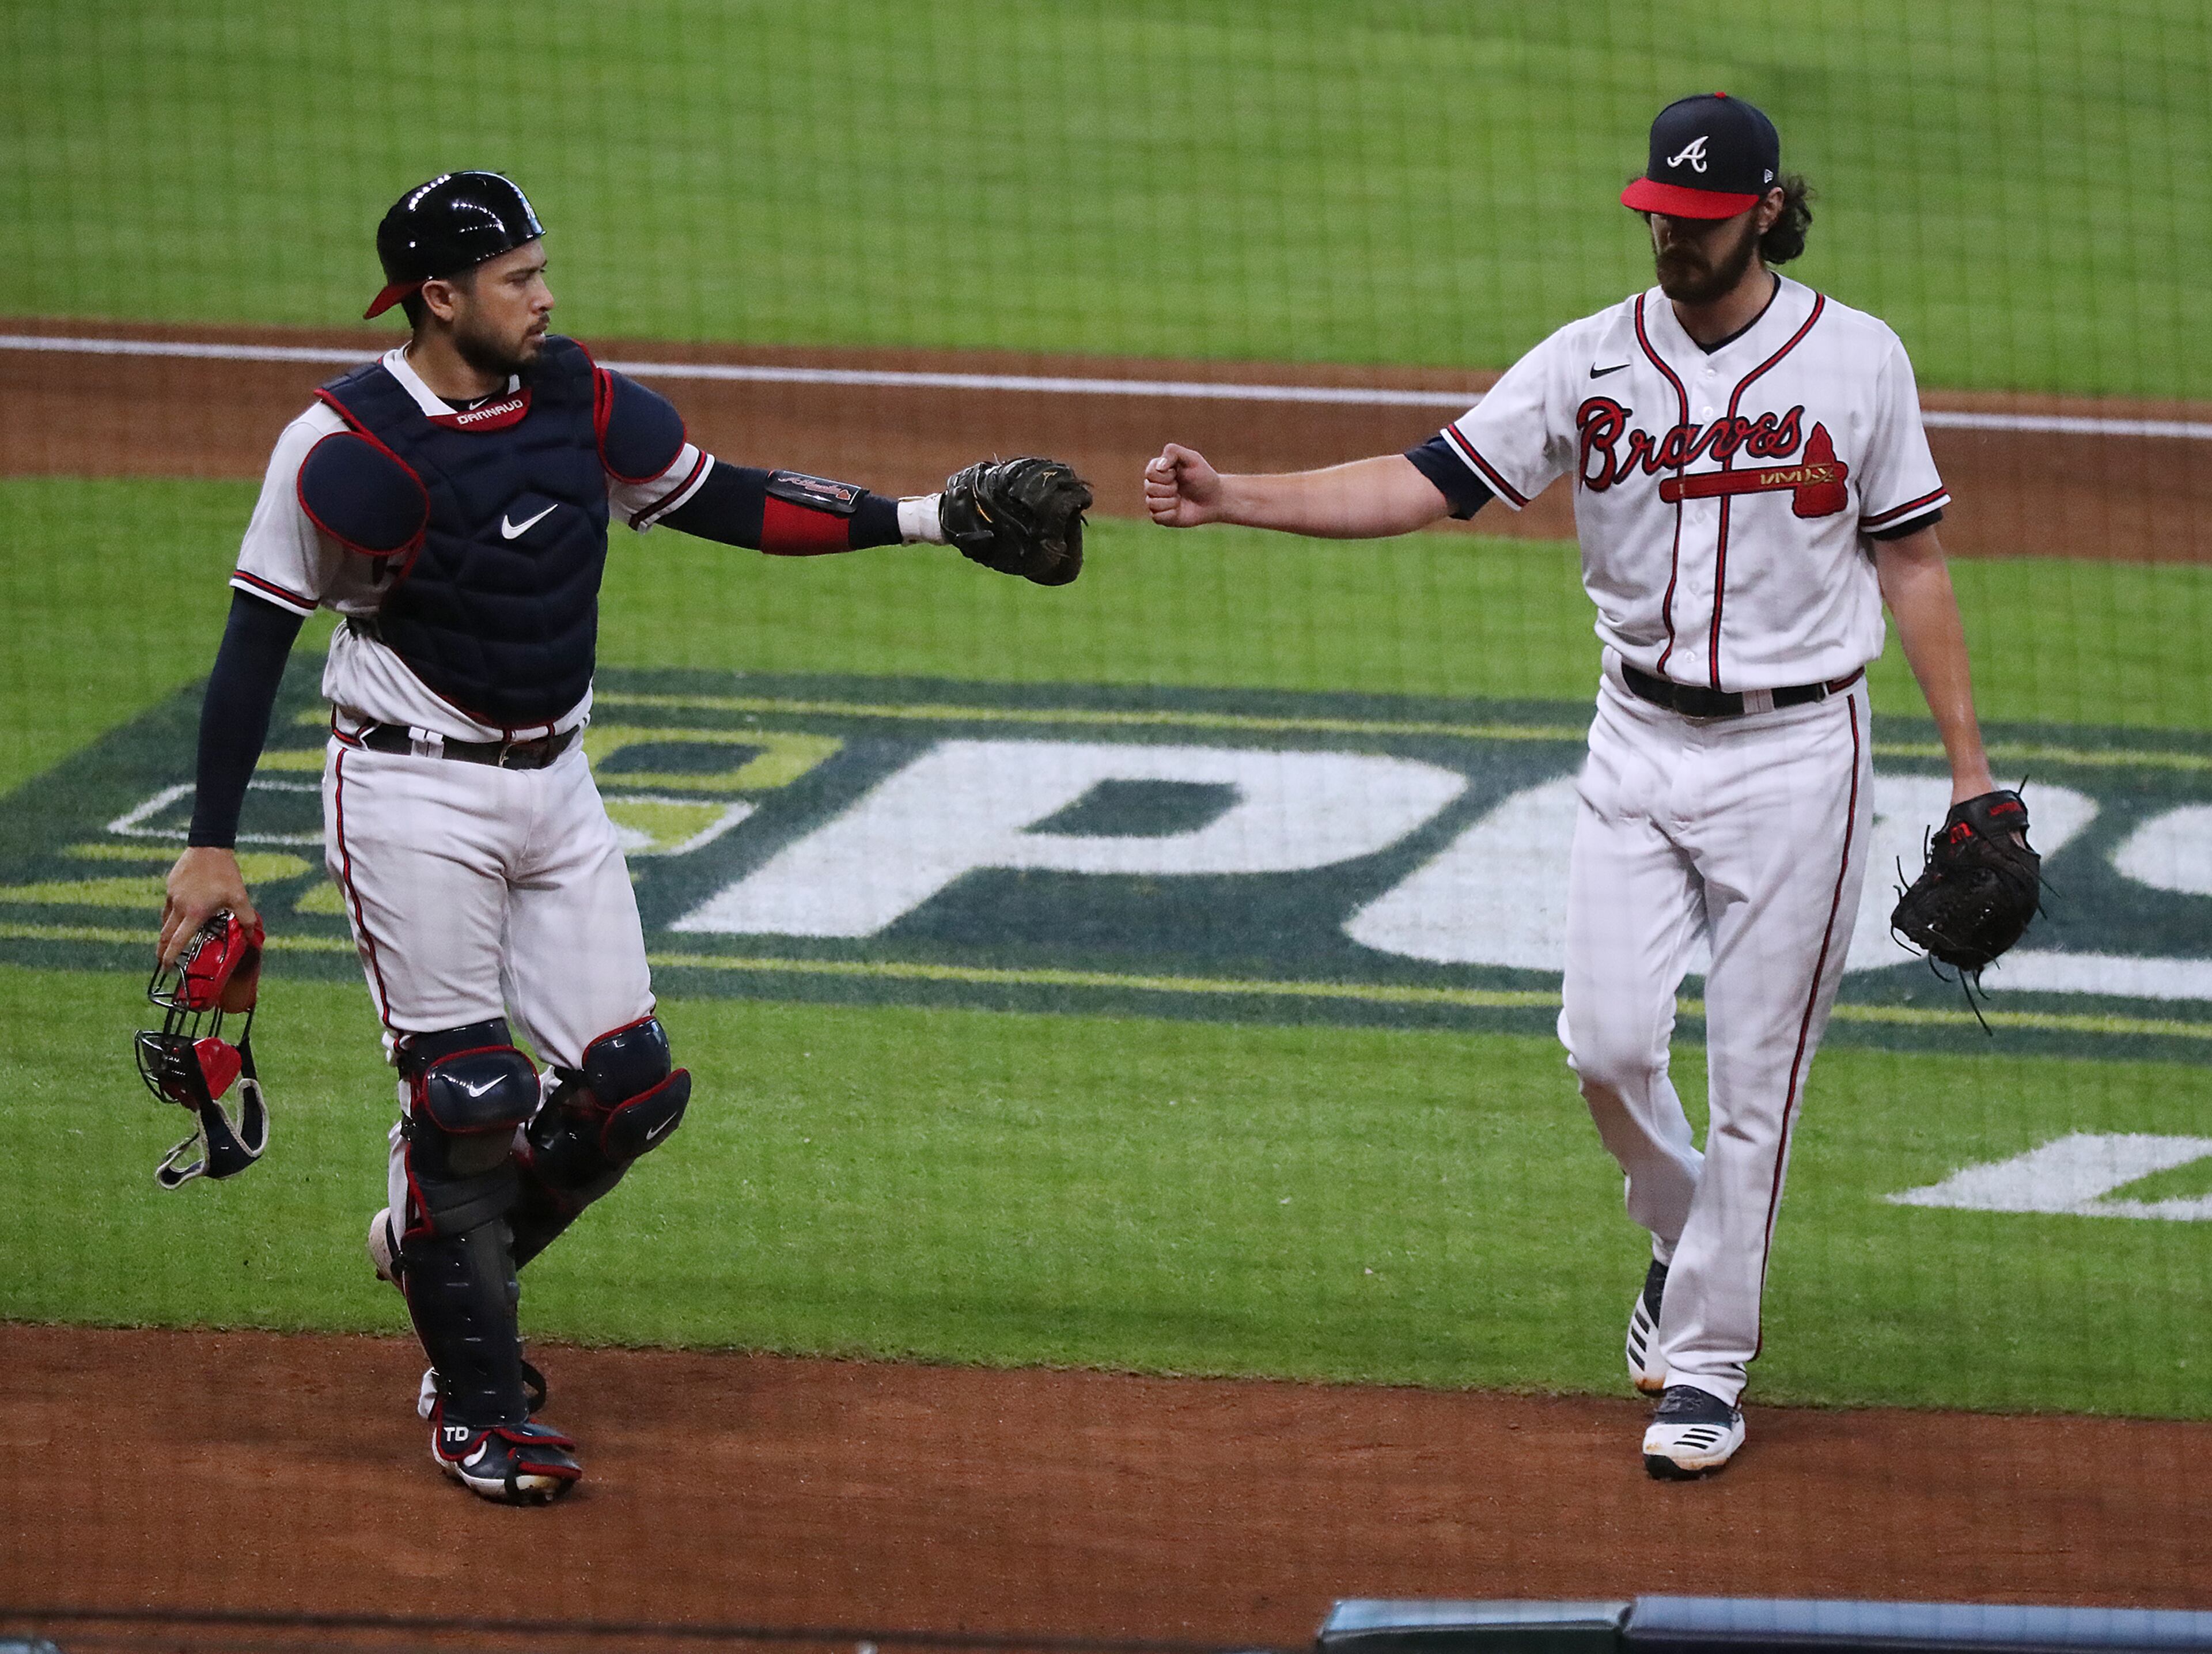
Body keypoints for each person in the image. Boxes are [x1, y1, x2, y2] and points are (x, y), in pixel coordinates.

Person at [158, 171, 1085, 1504]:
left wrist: (930, 518)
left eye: (543, 270)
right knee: (469, 1099)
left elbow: (725, 496)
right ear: (440, 296)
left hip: (560, 788)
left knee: (633, 1089)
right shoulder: (341, 444)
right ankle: (477, 1403)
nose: (546, 294)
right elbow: (257, 637)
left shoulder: (574, 397)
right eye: (519, 277)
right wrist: (210, 841)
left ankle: (431, 1252)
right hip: (412, 794)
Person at [1145, 94, 2006, 1479]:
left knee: (1754, 1088)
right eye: (1657, 214)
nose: (1672, 238)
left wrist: (1971, 775)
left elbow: (1914, 561)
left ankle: (1711, 1365)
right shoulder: (1590, 361)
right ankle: (1688, 1236)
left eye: (1700, 220)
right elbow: (1425, 482)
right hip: (1636, 743)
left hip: (1802, 757)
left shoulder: (1860, 362)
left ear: (1769, 211)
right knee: (1603, 1043)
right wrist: (1234, 493)